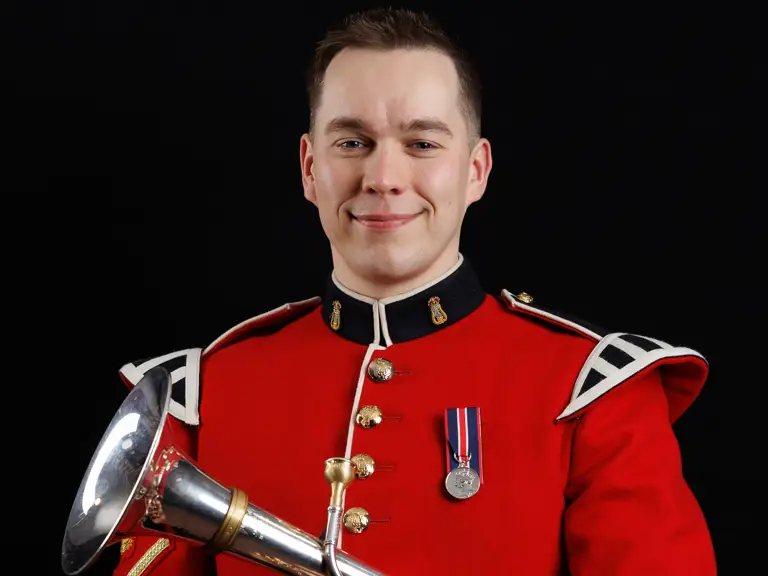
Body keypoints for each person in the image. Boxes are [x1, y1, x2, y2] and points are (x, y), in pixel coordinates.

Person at [109, 7, 716, 576]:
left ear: (475, 170)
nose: (383, 179)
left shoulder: (591, 394)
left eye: (422, 143)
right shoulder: (199, 398)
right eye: (352, 143)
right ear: (309, 167)